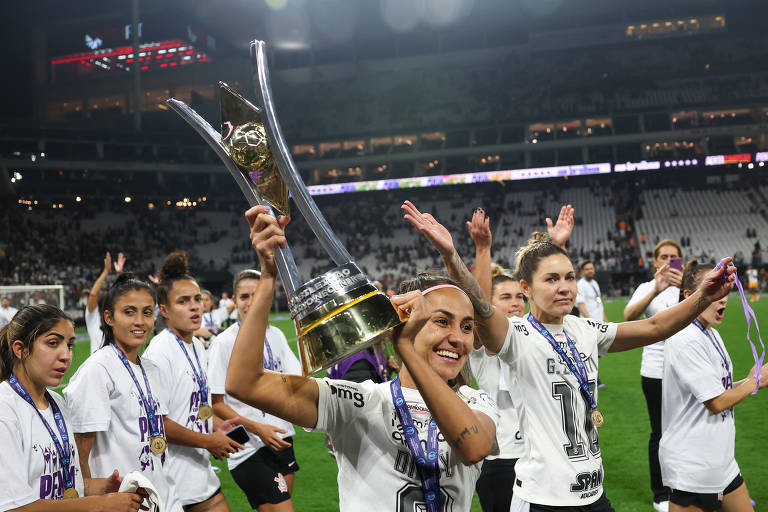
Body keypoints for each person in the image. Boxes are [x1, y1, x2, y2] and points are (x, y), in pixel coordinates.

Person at [401, 200, 735, 512]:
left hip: (594, 493)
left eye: (569, 278)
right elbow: (480, 303)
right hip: (542, 498)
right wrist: (451, 257)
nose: (564, 287)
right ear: (526, 288)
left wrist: (703, 296)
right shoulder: (517, 336)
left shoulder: (585, 329)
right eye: (551, 279)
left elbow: (654, 327)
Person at [226, 205, 499, 511]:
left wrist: (406, 347)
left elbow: (473, 448)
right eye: (442, 321)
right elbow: (244, 382)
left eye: (466, 327)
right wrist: (267, 278)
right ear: (406, 321)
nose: (458, 338)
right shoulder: (359, 402)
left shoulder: (477, 402)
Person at [466, 205, 573, 512]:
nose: (515, 303)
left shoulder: (531, 334)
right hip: (500, 458)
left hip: (541, 454)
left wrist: (557, 247)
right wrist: (483, 249)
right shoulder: (484, 342)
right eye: (505, 297)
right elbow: (479, 305)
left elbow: (548, 301)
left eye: (518, 296)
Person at [0, 304, 146, 511]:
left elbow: (66, 485)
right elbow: (14, 507)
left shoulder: (57, 402)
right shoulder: (5, 410)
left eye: (69, 345)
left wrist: (104, 487)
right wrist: (101, 505)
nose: (66, 356)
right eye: (52, 343)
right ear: (20, 349)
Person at [64, 274, 184, 512]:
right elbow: (79, 453)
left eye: (147, 313)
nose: (140, 321)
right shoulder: (97, 370)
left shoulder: (152, 369)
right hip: (122, 501)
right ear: (109, 317)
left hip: (163, 496)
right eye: (129, 312)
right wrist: (94, 503)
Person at [660, 260, 768, 512]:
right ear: (689, 296)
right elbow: (716, 402)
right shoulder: (685, 337)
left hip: (721, 460)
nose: (723, 298)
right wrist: (755, 382)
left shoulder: (710, 333)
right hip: (692, 465)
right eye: (714, 289)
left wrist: (752, 379)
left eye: (724, 290)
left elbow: (720, 389)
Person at [143, 251, 243, 511]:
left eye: (197, 299)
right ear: (164, 309)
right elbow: (158, 423)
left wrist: (213, 427)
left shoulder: (198, 346)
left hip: (198, 469)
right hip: (171, 478)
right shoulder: (159, 352)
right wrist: (208, 441)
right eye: (183, 301)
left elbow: (190, 406)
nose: (195, 306)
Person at [207, 268, 302, 511]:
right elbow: (216, 404)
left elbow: (296, 380)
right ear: (235, 301)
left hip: (281, 438)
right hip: (249, 448)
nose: (250, 303)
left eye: (256, 295)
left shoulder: (277, 335)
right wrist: (258, 428)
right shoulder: (224, 342)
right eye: (244, 297)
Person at [623, 239, 683, 512]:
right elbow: (629, 315)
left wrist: (686, 289)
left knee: (686, 430)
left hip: (686, 370)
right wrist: (655, 290)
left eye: (674, 256)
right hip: (656, 370)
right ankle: (661, 494)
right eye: (664, 256)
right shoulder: (647, 288)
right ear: (655, 261)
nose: (669, 261)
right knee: (660, 432)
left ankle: (686, 486)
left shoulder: (688, 288)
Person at [85, 252, 126, 355]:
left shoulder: (116, 318)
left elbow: (128, 296)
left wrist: (121, 274)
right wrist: (105, 272)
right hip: (98, 366)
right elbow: (93, 295)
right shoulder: (93, 316)